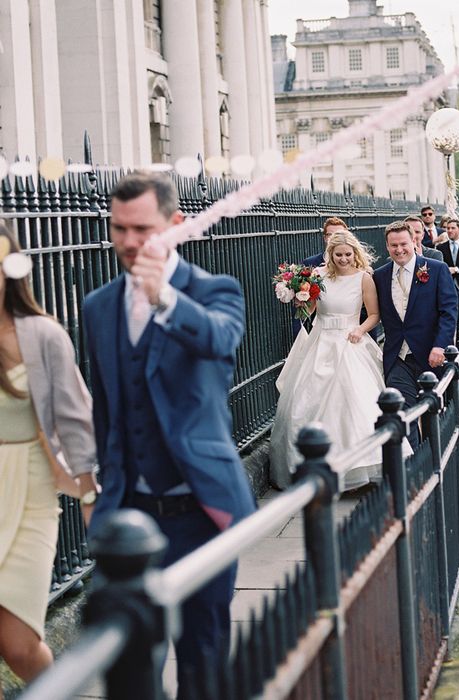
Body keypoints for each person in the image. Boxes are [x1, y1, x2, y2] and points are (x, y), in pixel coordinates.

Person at [82, 172, 255, 698]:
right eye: (119, 229)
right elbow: (109, 410)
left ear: (176, 226)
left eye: (143, 229)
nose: (130, 242)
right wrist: (99, 489)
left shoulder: (214, 291)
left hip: (199, 512)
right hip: (127, 515)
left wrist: (164, 300)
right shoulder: (98, 307)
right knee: (132, 666)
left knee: (202, 656)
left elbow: (220, 340)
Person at [0, 223, 99, 696]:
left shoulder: (42, 333)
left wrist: (87, 491)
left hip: (30, 491)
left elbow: (74, 416)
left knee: (19, 645)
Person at [270, 230, 408, 491]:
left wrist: (359, 330)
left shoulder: (364, 279)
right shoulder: (318, 276)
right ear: (330, 255)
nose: (344, 259)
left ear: (354, 253)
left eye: (348, 254)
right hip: (321, 341)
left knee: (355, 402)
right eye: (338, 255)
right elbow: (309, 311)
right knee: (304, 401)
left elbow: (374, 314)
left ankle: (359, 467)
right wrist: (298, 297)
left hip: (350, 340)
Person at [373, 221, 457, 450]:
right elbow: (369, 312)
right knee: (405, 414)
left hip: (431, 354)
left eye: (403, 244)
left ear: (414, 242)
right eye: (393, 246)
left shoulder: (435, 269)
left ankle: (435, 460)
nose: (399, 250)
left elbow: (449, 311)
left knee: (433, 414)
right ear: (387, 247)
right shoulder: (379, 276)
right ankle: (413, 467)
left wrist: (440, 346)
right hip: (398, 358)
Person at [293, 217, 348, 338]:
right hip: (321, 332)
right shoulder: (310, 265)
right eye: (330, 235)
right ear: (324, 238)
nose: (334, 238)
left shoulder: (357, 267)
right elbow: (304, 306)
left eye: (339, 234)